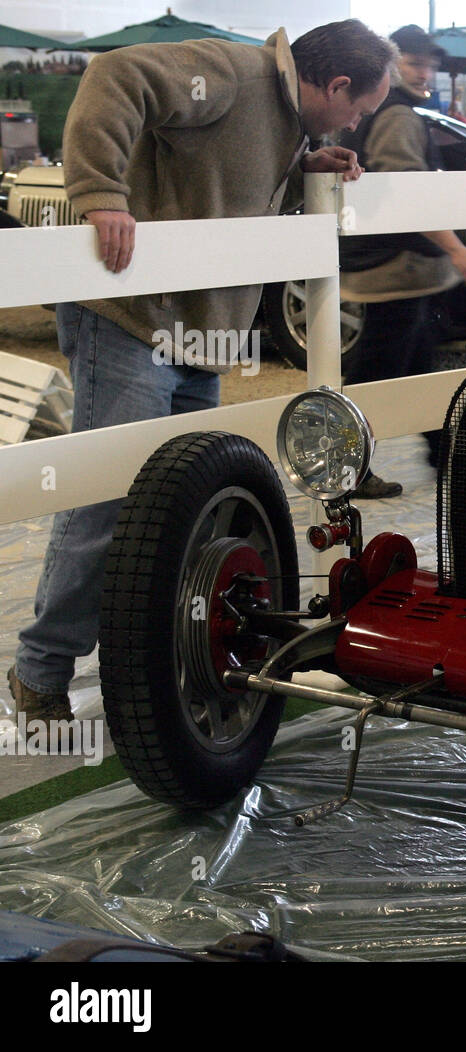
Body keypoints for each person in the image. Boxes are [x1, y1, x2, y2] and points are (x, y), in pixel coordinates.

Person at [7, 19, 397, 722]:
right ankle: (41, 672)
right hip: (129, 318)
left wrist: (304, 172)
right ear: (336, 84)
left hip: (201, 338)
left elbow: (223, 188)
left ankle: (158, 653)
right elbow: (113, 77)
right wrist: (100, 194)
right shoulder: (232, 74)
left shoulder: (285, 121)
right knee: (105, 502)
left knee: (183, 505)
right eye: (360, 109)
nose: (359, 122)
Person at [336, 24, 466, 470]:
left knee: (414, 363)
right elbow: (405, 192)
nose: (426, 74)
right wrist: (457, 249)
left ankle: (442, 454)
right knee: (376, 375)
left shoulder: (382, 111)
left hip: (396, 268)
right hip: (394, 268)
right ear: (389, 64)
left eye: (431, 66)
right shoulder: (399, 116)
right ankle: (345, 466)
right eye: (415, 63)